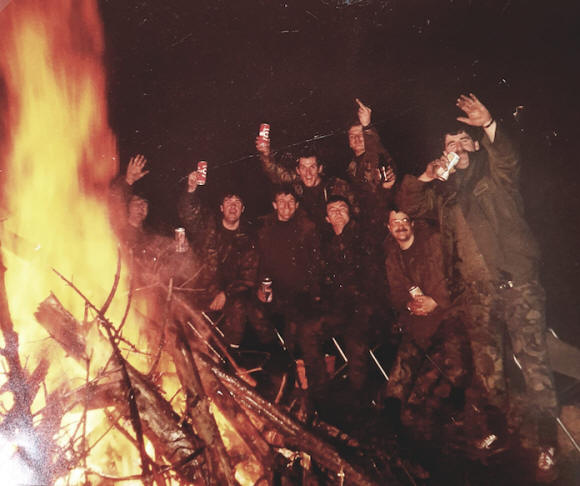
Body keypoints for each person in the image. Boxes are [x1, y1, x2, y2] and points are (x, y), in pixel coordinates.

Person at [397, 93, 558, 477]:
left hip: (516, 286)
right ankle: (500, 435)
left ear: (472, 145)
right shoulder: (445, 196)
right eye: (448, 144)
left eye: (460, 141)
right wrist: (426, 176)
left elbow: (507, 157)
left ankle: (548, 443)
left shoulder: (496, 178)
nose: (455, 148)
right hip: (476, 296)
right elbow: (409, 204)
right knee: (489, 373)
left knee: (534, 366)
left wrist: (487, 124)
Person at [384, 209, 470, 442]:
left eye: (404, 220)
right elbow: (396, 293)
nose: (400, 225)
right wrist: (410, 305)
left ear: (412, 224)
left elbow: (455, 279)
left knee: (440, 376)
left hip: (447, 318)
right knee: (402, 367)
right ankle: (391, 419)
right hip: (418, 321)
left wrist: (436, 301)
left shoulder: (432, 243)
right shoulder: (393, 257)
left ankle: (435, 419)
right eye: (395, 222)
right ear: (389, 228)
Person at [300, 196, 375, 410]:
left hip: (366, 308)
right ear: (327, 219)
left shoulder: (364, 239)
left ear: (350, 214)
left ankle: (359, 400)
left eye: (342, 208)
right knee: (308, 329)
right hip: (339, 310)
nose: (338, 213)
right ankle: (319, 391)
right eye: (332, 210)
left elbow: (370, 281)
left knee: (355, 338)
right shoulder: (325, 246)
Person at [208, 192, 271, 347]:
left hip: (236, 291)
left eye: (237, 202)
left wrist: (225, 294)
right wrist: (215, 290)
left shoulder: (250, 238)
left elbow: (248, 278)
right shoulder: (210, 231)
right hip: (208, 289)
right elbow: (189, 212)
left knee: (241, 307)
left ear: (242, 209)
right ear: (221, 208)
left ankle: (232, 353)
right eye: (228, 201)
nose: (233, 206)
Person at [256, 136, 355, 230]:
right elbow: (276, 172)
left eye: (312, 167)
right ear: (298, 170)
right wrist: (265, 154)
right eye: (303, 168)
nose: (308, 173)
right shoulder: (297, 184)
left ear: (320, 169)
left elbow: (355, 212)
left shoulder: (336, 186)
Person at [346, 98, 397, 245]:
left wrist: (367, 125)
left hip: (385, 227)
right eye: (352, 136)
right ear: (349, 142)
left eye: (360, 135)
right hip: (364, 230)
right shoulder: (351, 167)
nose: (357, 139)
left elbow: (375, 149)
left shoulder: (376, 157)